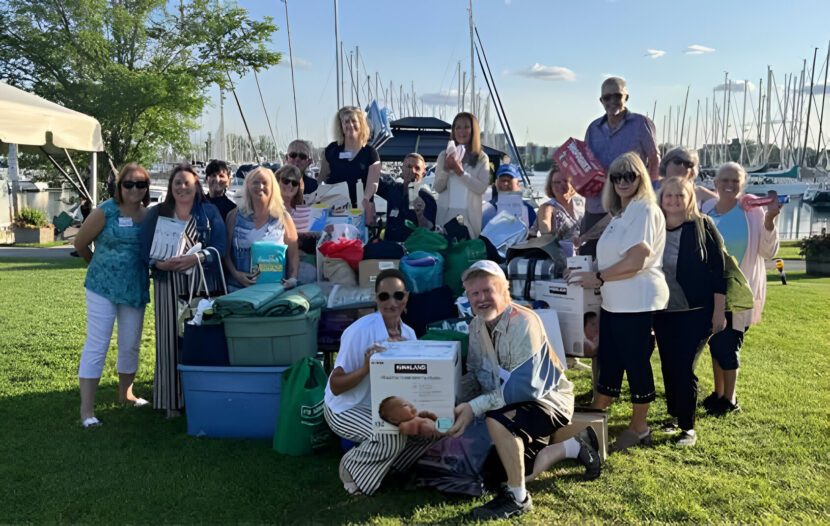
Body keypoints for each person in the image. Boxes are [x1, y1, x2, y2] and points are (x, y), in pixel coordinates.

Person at [448, 260, 600, 520]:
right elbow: (474, 375)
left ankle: (518, 499)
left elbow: (523, 389)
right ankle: (574, 445)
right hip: (507, 406)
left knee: (498, 424)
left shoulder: (524, 322)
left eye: (488, 291)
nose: (481, 299)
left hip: (547, 401)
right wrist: (449, 403)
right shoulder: (475, 326)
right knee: (500, 474)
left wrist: (473, 408)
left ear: (503, 290)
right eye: (475, 293)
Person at [567, 152, 668, 453]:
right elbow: (610, 253)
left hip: (636, 301)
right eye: (617, 176)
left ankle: (639, 428)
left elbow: (637, 260)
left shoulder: (645, 210)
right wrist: (582, 269)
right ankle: (599, 410)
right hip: (614, 301)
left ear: (642, 178)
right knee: (609, 358)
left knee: (636, 363)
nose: (623, 181)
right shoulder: (622, 213)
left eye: (630, 175)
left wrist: (596, 277)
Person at [323, 269, 434, 496]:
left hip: (383, 408)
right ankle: (351, 469)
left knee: (431, 429)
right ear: (376, 298)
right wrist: (366, 368)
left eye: (398, 296)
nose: (392, 303)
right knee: (390, 437)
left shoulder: (410, 334)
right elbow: (335, 385)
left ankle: (390, 469)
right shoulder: (359, 331)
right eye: (384, 296)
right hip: (346, 407)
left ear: (406, 297)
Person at [139, 163, 226, 418]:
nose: (182, 187)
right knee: (168, 342)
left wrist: (196, 258)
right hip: (167, 285)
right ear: (170, 187)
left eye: (187, 183)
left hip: (202, 285)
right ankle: (170, 401)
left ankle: (203, 398)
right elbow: (144, 251)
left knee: (200, 340)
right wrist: (159, 263)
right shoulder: (157, 213)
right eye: (177, 183)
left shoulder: (208, 213)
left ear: (196, 185)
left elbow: (220, 246)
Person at [74, 163, 151, 427]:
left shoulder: (148, 215)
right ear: (119, 186)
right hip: (102, 288)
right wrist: (97, 267)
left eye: (140, 184)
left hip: (135, 287)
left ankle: (126, 394)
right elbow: (80, 243)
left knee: (130, 343)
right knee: (98, 344)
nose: (134, 189)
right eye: (129, 184)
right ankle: (87, 411)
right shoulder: (104, 211)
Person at [701, 162, 780, 415]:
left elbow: (768, 252)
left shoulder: (752, 212)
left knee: (728, 344)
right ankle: (718, 393)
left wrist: (769, 220)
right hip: (710, 292)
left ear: (742, 184)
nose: (729, 185)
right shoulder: (706, 209)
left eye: (735, 180)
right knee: (715, 343)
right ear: (715, 183)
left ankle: (731, 399)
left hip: (739, 292)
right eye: (725, 179)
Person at [654, 176, 727, 446]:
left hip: (697, 312)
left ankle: (688, 428)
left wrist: (719, 312)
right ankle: (674, 417)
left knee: (684, 367)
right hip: (663, 311)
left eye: (680, 196)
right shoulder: (655, 227)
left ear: (689, 199)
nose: (673, 200)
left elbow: (719, 271)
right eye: (668, 195)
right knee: (669, 366)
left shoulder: (703, 226)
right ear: (661, 199)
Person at [582, 77, 659, 256]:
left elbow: (654, 160)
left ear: (626, 97)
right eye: (606, 98)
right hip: (596, 206)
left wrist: (650, 195)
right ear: (601, 101)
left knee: (625, 259)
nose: (612, 101)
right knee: (588, 259)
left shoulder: (642, 124)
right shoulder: (593, 128)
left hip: (630, 207)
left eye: (617, 95)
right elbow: (584, 166)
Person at [224, 166, 299, 291]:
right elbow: (226, 255)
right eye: (256, 182)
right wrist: (237, 275)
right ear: (247, 186)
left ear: (273, 188)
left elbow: (293, 256)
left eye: (265, 183)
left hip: (275, 291)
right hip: (239, 289)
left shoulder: (284, 218)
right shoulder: (233, 216)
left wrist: (292, 279)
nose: (260, 186)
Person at [319, 106, 381, 223]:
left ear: (361, 124)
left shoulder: (370, 153)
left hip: (361, 209)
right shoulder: (331, 150)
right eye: (346, 122)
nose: (350, 125)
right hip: (335, 210)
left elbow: (373, 183)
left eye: (354, 121)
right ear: (341, 126)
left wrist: (365, 200)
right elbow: (322, 179)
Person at [433, 112, 490, 238]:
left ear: (473, 130)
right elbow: (438, 187)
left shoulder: (482, 158)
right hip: (445, 219)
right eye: (457, 127)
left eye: (466, 127)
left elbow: (481, 188)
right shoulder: (444, 155)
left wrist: (461, 173)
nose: (461, 131)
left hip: (469, 221)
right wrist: (446, 170)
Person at [376, 152, 435, 241]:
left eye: (417, 168)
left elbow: (430, 230)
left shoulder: (426, 197)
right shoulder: (393, 190)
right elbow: (373, 179)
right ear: (402, 170)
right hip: (391, 247)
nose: (413, 171)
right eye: (409, 167)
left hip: (413, 247)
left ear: (423, 172)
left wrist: (420, 214)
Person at [536, 164, 584, 240]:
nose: (562, 185)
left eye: (566, 181)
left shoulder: (581, 202)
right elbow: (545, 226)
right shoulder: (547, 208)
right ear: (550, 186)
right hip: (561, 250)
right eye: (557, 182)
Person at [482, 163, 536, 229]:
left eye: (509, 180)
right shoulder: (487, 208)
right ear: (496, 183)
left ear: (517, 184)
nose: (505, 184)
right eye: (502, 180)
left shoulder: (528, 210)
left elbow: (533, 233)